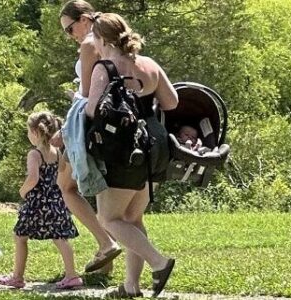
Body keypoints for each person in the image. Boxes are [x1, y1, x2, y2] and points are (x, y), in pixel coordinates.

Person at [84, 12, 178, 298]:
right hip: (155, 146)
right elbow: (172, 101)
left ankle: (159, 263)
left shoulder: (106, 67)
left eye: (95, 41)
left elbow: (91, 109)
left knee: (108, 218)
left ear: (102, 40)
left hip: (124, 149)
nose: (95, 47)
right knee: (132, 218)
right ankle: (130, 287)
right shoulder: (148, 64)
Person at [54, 0, 122, 275]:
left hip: (88, 123)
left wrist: (69, 114)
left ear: (84, 19)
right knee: (105, 192)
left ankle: (106, 243)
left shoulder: (89, 43)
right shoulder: (113, 39)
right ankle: (105, 263)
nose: (71, 36)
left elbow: (85, 91)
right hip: (116, 122)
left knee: (67, 186)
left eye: (70, 29)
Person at [0, 111, 84, 290]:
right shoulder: (58, 152)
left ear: (35, 132)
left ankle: (17, 277)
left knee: (20, 236)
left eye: (28, 131)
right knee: (60, 237)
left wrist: (23, 191)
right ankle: (72, 275)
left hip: (36, 203)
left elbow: (33, 178)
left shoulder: (35, 154)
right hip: (56, 201)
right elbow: (60, 172)